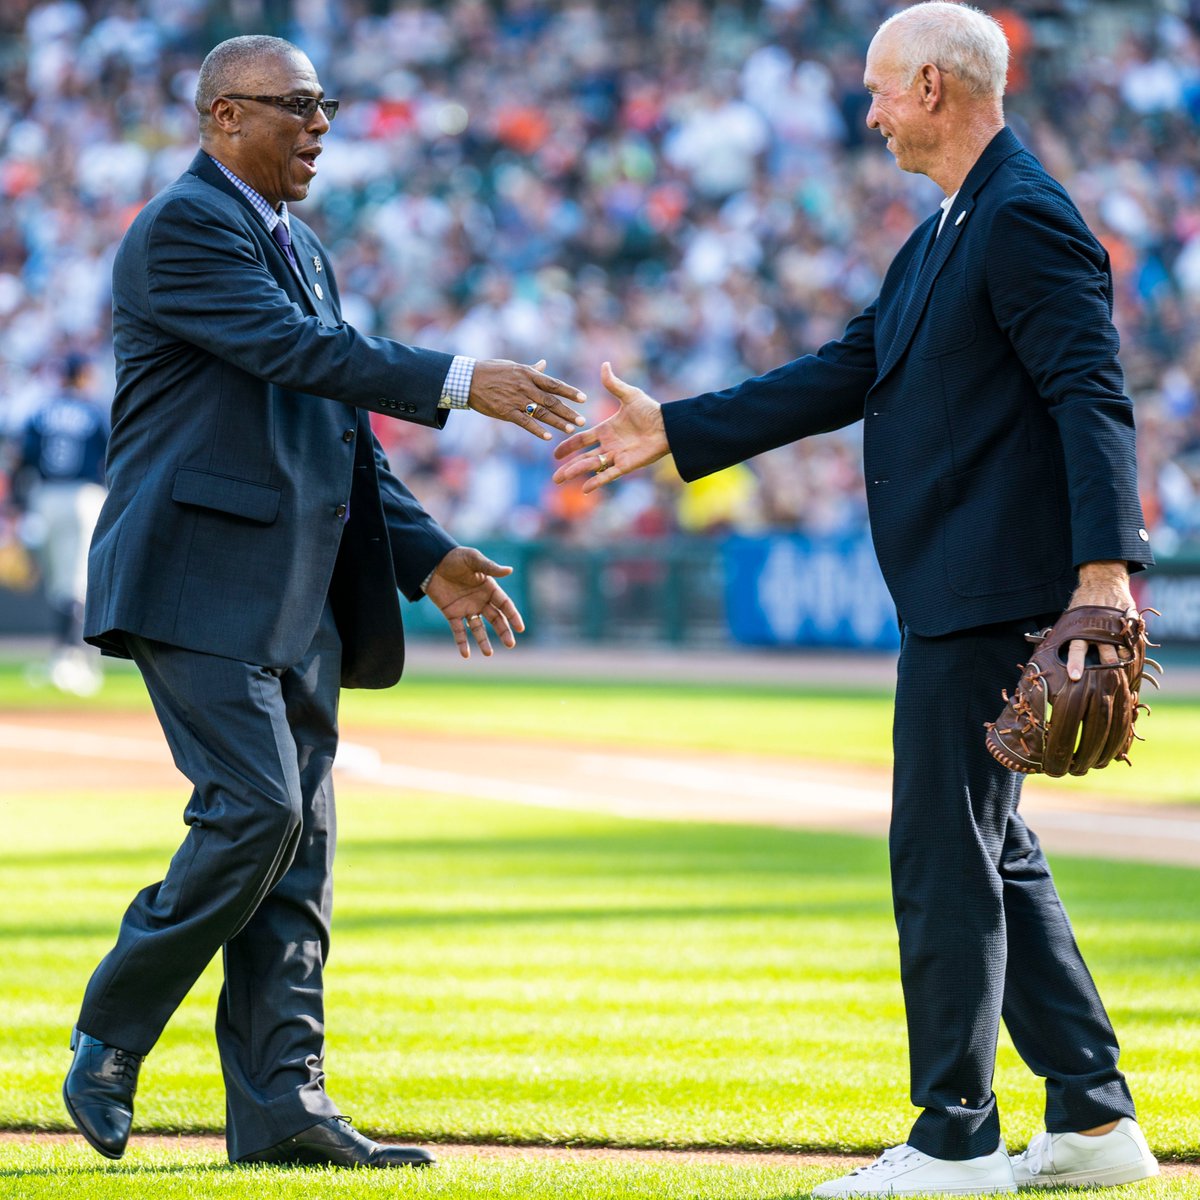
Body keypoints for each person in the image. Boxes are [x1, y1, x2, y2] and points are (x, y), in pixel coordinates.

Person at [554, 4, 1158, 1195]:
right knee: (995, 848)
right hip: (960, 584)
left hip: (995, 591)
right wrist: (678, 430)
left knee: (941, 853)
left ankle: (956, 1137)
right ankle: (1092, 1118)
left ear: (934, 86)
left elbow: (1094, 397)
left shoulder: (1024, 215)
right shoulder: (950, 225)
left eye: (880, 89)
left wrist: (1105, 576)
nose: (868, 110)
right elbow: (846, 369)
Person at [62, 34, 586, 1171]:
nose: (319, 126)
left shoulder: (302, 247)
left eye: (326, 104)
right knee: (259, 815)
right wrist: (457, 378)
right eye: (295, 105)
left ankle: (282, 1104)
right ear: (220, 118)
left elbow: (339, 432)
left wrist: (427, 553)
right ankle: (110, 1029)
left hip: (300, 590)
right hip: (197, 576)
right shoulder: (184, 228)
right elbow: (297, 353)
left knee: (299, 859)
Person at [9, 353, 109, 695]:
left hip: (46, 497)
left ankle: (66, 657)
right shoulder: (94, 411)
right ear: (83, 376)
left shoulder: (41, 411)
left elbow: (22, 459)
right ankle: (71, 659)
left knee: (59, 584)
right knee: (74, 583)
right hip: (84, 496)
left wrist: (17, 505)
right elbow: (113, 456)